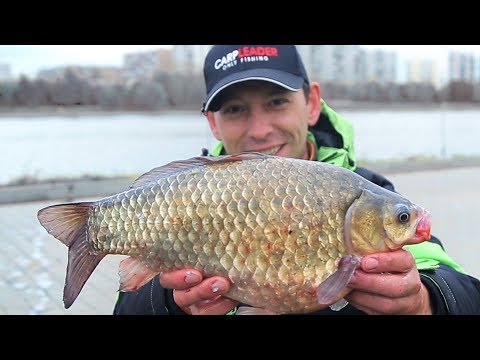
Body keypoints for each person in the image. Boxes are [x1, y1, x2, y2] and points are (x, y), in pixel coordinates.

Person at [113, 45, 480, 315]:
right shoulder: (185, 197)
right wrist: (170, 304)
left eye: (276, 102)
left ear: (312, 102)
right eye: (237, 110)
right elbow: (126, 305)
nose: (260, 130)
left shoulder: (367, 194)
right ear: (213, 123)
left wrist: (424, 302)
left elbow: (465, 293)